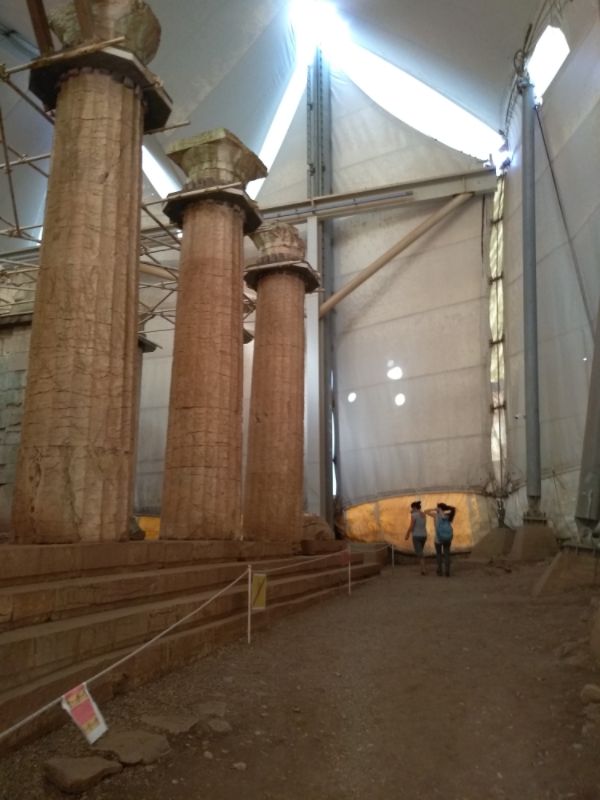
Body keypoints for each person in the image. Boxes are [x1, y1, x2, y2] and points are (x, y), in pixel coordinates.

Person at [425, 502, 456, 577]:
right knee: (447, 554)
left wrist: (434, 509)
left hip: (438, 538)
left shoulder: (436, 515)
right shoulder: (448, 516)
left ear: (439, 508)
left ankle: (440, 571)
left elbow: (425, 511)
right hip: (447, 537)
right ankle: (447, 571)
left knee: (439, 555)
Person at [404, 500, 428, 575]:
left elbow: (412, 525)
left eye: (412, 508)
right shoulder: (423, 514)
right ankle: (422, 568)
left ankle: (423, 569)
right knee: (420, 552)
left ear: (414, 507)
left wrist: (407, 534)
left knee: (420, 554)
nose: (411, 509)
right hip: (424, 535)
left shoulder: (414, 515)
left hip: (416, 536)